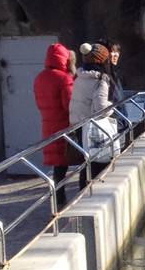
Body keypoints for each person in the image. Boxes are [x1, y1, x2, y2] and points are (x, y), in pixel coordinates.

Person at [32, 42, 75, 209]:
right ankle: (63, 200)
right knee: (69, 162)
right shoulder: (64, 79)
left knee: (58, 165)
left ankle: (58, 199)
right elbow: (69, 105)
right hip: (64, 125)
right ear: (64, 59)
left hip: (47, 124)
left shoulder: (40, 77)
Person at [69, 42, 116, 190]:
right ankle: (97, 193)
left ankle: (83, 193)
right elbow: (101, 107)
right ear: (102, 60)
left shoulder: (79, 76)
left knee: (87, 162)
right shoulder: (100, 79)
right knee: (100, 161)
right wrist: (113, 107)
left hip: (79, 125)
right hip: (93, 127)